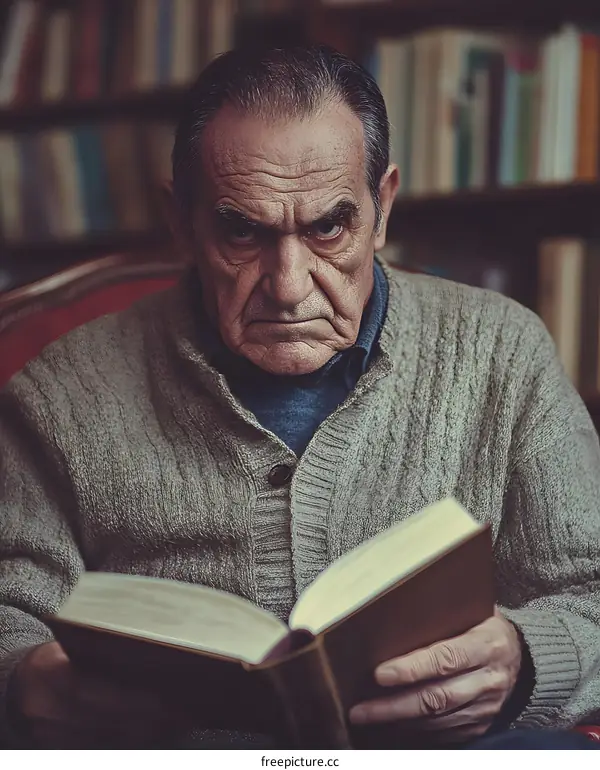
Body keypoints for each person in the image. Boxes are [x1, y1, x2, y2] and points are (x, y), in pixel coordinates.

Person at [1, 44, 600, 751]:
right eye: (241, 230)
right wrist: (26, 679)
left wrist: (525, 662)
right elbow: (12, 613)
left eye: (327, 227)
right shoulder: (61, 391)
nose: (289, 286)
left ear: (382, 210)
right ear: (182, 222)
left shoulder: (504, 350)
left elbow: (589, 592)